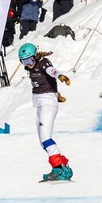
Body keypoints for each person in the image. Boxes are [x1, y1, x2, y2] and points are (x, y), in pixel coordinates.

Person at [18, 43, 73, 181]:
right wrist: (56, 93)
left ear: (35, 56)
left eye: (30, 60)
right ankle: (64, 166)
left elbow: (51, 71)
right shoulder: (32, 67)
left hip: (47, 102)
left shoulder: (43, 62)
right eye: (24, 61)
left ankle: (58, 169)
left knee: (45, 138)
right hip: (40, 103)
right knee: (43, 142)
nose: (28, 64)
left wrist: (60, 76)